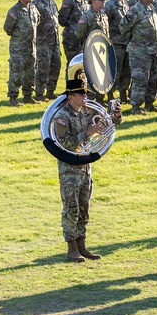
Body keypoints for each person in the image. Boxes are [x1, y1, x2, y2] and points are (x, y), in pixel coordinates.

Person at [55, 78, 122, 262]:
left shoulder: (88, 111)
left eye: (85, 93)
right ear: (70, 96)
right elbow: (64, 143)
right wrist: (88, 133)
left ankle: (82, 245)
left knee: (84, 207)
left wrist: (115, 115)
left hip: (85, 166)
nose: (85, 96)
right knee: (71, 207)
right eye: (80, 93)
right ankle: (71, 247)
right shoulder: (62, 116)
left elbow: (111, 123)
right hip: (69, 169)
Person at [120, 0, 157, 114]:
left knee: (153, 78)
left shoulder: (151, 8)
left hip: (153, 50)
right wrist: (133, 40)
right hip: (139, 52)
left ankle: (149, 103)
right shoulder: (135, 10)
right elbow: (123, 27)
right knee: (140, 79)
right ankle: (136, 106)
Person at [4, 0, 39, 106]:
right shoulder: (14, 11)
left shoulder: (33, 8)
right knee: (16, 73)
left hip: (31, 48)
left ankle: (28, 95)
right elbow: (7, 28)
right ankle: (13, 97)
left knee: (31, 73)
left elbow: (37, 23)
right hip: (18, 49)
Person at [32, 0, 62, 101]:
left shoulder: (52, 3)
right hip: (43, 42)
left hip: (54, 41)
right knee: (43, 68)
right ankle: (39, 93)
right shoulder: (36, 4)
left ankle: (50, 91)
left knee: (56, 65)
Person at [59, 0, 89, 66]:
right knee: (72, 65)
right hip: (71, 40)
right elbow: (62, 20)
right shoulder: (69, 1)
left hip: (82, 39)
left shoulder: (85, 0)